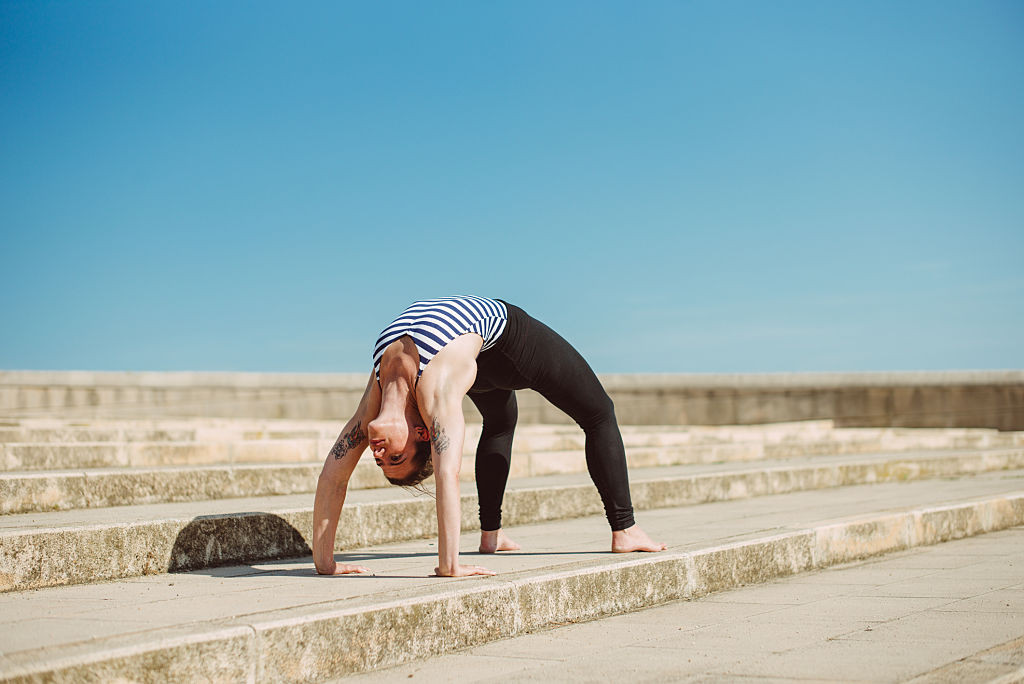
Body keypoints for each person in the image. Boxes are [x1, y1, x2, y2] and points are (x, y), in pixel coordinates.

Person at [312, 295, 666, 577]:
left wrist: (448, 565)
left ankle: (621, 529)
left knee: (589, 413)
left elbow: (334, 476)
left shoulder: (382, 398)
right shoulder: (435, 395)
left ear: (423, 433)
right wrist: (326, 564)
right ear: (424, 433)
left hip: (509, 342)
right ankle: (501, 535)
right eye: (395, 459)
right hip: (473, 351)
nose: (377, 455)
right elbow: (340, 478)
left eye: (387, 461)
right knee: (566, 416)